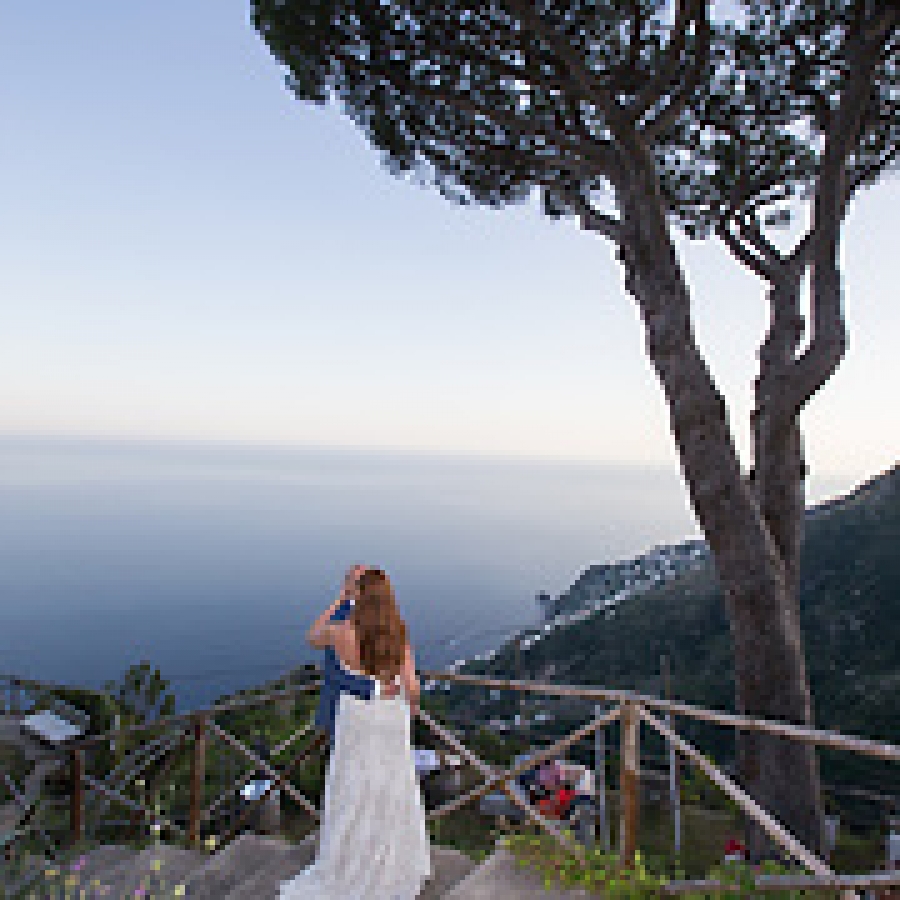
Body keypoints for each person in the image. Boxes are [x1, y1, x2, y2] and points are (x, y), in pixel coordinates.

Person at [278, 565, 431, 899]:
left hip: (355, 717)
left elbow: (311, 636)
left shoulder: (339, 631)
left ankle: (348, 864)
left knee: (352, 788)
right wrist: (412, 708)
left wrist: (339, 600)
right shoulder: (399, 631)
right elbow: (412, 686)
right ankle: (394, 865)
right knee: (391, 786)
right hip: (391, 717)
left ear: (357, 594)